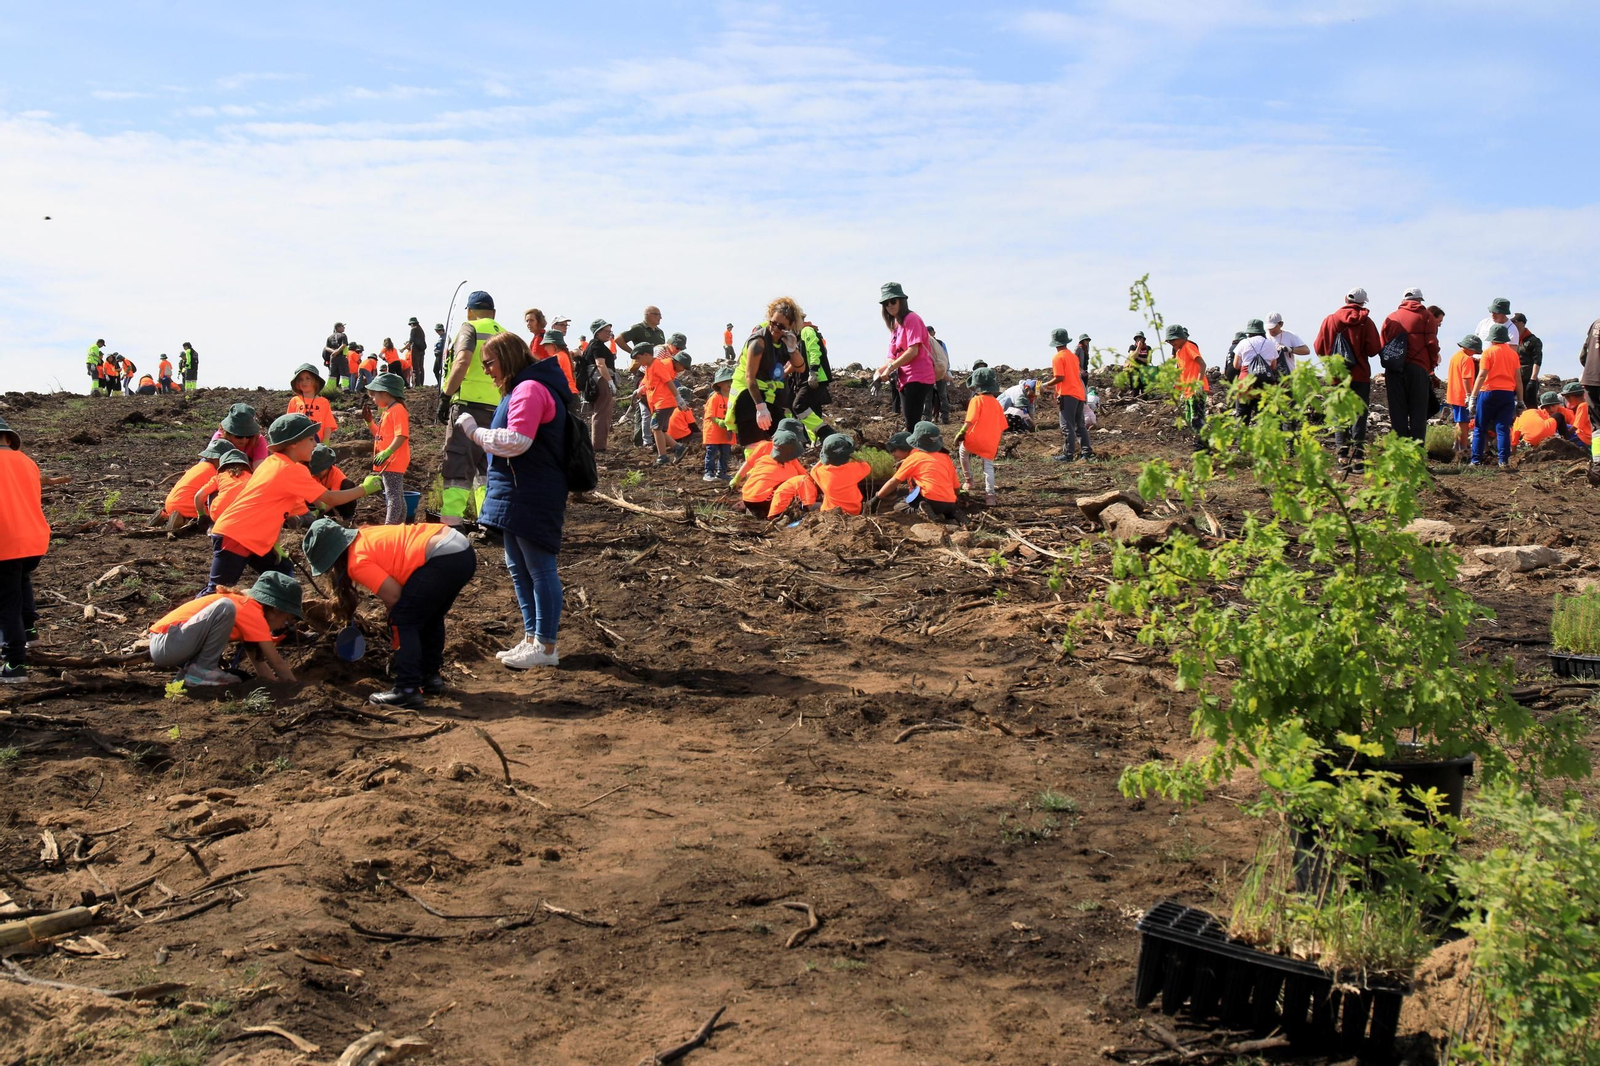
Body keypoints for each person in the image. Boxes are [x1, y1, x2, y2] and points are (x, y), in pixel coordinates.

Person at [452, 331, 572, 670]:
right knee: (519, 568)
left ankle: (546, 646)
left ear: (507, 357)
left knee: (539, 568)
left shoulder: (530, 389)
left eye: (489, 363)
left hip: (533, 491)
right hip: (516, 491)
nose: (487, 371)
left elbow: (518, 440)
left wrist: (474, 430)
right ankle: (532, 638)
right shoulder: (520, 389)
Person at [304, 518, 476, 706]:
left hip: (441, 556)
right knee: (429, 616)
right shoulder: (365, 533)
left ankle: (407, 689)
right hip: (460, 548)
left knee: (403, 620)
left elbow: (394, 596)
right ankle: (430, 677)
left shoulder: (357, 561)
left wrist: (396, 621)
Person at [206, 414, 377, 593]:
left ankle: (276, 613)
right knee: (216, 591)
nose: (315, 445)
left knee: (282, 572)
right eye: (311, 439)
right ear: (294, 443)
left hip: (253, 538)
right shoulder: (291, 470)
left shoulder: (272, 462)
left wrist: (275, 545)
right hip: (237, 537)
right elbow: (330, 499)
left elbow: (270, 508)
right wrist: (364, 489)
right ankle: (183, 621)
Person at [147, 572, 303, 687]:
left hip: (172, 644)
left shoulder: (249, 614)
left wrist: (275, 687)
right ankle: (202, 671)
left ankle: (191, 675)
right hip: (168, 643)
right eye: (287, 619)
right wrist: (297, 688)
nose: (284, 626)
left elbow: (260, 663)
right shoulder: (250, 610)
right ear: (275, 610)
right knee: (225, 607)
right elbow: (277, 663)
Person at [437, 290, 504, 526]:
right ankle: (488, 520)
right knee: (486, 467)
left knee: (458, 462)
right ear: (494, 313)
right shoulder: (504, 333)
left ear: (469, 311)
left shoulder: (470, 328)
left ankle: (451, 522)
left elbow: (462, 361)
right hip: (497, 409)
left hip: (467, 406)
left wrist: (446, 397)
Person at [0, 415, 49, 683]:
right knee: (21, 579)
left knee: (6, 601)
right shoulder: (28, 462)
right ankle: (30, 630)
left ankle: (15, 664)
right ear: (8, 437)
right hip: (34, 540)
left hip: (4, 542)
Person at [1314, 287, 1383, 469]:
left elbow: (1318, 347)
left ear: (1346, 299)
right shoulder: (1366, 322)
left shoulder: (1330, 320)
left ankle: (1342, 457)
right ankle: (1358, 458)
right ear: (1362, 303)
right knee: (1359, 415)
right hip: (1360, 375)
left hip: (1337, 376)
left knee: (1340, 416)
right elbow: (1374, 349)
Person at [733, 299, 805, 446]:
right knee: (755, 445)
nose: (775, 328)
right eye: (773, 323)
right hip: (749, 395)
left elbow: (800, 367)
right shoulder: (759, 342)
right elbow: (750, 377)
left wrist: (792, 349)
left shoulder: (785, 340)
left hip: (769, 395)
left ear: (790, 326)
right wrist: (760, 407)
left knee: (781, 441)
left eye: (781, 326)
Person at [1381, 287, 1441, 442]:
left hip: (1394, 370)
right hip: (1418, 368)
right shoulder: (1428, 317)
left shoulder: (1391, 317)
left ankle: (1401, 454)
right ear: (1420, 301)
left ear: (1403, 301)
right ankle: (1417, 457)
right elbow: (1431, 344)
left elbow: (1383, 345)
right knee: (1418, 412)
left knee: (1397, 412)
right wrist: (1431, 365)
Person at [875, 283, 936, 431]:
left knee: (912, 422)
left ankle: (917, 452)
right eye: (885, 303)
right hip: (904, 378)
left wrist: (889, 368)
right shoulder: (896, 325)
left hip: (918, 377)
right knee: (910, 420)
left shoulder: (911, 318)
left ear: (901, 301)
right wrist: (878, 372)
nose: (889, 305)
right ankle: (916, 450)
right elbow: (892, 356)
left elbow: (912, 351)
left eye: (893, 301)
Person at [870, 421, 961, 519]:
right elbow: (956, 487)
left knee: (899, 506)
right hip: (950, 502)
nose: (892, 454)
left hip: (929, 500)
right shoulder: (944, 457)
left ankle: (921, 511)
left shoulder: (913, 458)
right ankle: (951, 513)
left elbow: (893, 482)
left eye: (894, 450)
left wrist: (876, 498)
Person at [1468, 324, 1522, 468]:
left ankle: (1475, 461)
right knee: (1502, 428)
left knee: (1480, 427)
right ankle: (1503, 461)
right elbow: (1518, 379)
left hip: (1488, 392)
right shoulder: (1513, 354)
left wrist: (1472, 397)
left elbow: (1481, 375)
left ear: (1492, 339)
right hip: (1507, 394)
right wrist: (1521, 400)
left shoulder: (1488, 352)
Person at [361, 373, 411, 525]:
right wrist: (369, 422)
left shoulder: (397, 410)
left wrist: (387, 452)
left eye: (374, 394)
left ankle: (390, 526)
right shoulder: (389, 411)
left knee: (392, 495)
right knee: (397, 495)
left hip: (392, 461)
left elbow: (401, 435)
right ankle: (398, 525)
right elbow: (380, 436)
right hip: (389, 460)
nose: (373, 398)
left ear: (385, 392)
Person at [955, 367, 1005, 506]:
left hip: (974, 439)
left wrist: (961, 432)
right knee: (988, 467)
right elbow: (1002, 425)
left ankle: (969, 481)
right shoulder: (996, 403)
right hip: (990, 441)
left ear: (977, 386)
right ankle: (990, 497)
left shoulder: (976, 400)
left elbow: (969, 421)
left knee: (963, 452)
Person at [1041, 327, 1092, 461]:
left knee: (1067, 425)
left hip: (1068, 395)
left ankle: (1068, 455)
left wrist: (1045, 385)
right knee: (1079, 426)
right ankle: (1086, 453)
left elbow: (1060, 377)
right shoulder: (1072, 357)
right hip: (1079, 394)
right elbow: (1070, 377)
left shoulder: (1058, 357)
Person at [157, 440, 230, 528]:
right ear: (218, 459)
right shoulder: (215, 473)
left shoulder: (197, 467)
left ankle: (166, 516)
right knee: (218, 513)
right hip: (186, 507)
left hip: (170, 505)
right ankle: (182, 520)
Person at [738, 428, 807, 519]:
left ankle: (753, 510)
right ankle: (773, 514)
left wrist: (736, 479)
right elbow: (804, 478)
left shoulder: (763, 459)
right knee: (792, 488)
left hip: (747, 498)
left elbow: (749, 464)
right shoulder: (788, 471)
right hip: (762, 501)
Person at [640, 347, 691, 464]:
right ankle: (677, 448)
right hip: (662, 401)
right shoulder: (666, 365)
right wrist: (641, 389)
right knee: (658, 429)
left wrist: (678, 399)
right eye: (683, 367)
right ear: (678, 362)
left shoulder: (668, 366)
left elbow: (661, 382)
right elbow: (657, 382)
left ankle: (663, 456)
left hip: (663, 402)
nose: (682, 370)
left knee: (656, 428)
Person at [792, 318, 836, 441]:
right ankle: (817, 441)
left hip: (814, 378)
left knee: (799, 406)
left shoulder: (807, 331)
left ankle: (828, 434)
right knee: (812, 411)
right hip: (808, 379)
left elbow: (814, 350)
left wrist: (813, 371)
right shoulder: (798, 336)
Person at [806, 433, 872, 514]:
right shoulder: (855, 468)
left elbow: (813, 470)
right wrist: (852, 454)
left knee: (815, 505)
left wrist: (825, 458)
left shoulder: (820, 472)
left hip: (830, 512)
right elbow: (866, 466)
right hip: (854, 511)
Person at [1166, 325, 1209, 447]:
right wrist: (1178, 387)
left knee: (1197, 419)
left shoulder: (1189, 346)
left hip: (1196, 390)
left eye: (1173, 340)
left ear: (1181, 337)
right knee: (1190, 419)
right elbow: (1183, 372)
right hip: (1188, 391)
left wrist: (1198, 384)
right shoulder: (1179, 353)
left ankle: (1202, 446)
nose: (1171, 343)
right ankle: (1198, 443)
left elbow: (1202, 364)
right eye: (1169, 341)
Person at [582, 320, 620, 452]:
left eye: (610, 331)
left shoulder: (592, 345)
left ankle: (598, 444)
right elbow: (600, 364)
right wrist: (609, 381)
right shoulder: (597, 346)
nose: (609, 334)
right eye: (606, 331)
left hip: (595, 381)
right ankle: (598, 446)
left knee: (600, 411)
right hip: (600, 380)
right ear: (597, 332)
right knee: (603, 411)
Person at [1444, 336, 1483, 463]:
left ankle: (1456, 446)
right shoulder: (1466, 359)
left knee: (1459, 421)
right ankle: (1463, 449)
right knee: (1464, 423)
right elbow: (1466, 378)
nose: (1475, 353)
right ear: (1470, 348)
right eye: (1475, 350)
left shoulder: (1456, 356)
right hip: (1462, 395)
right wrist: (1469, 395)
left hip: (1453, 393)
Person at [195, 449, 252, 523]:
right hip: (244, 516)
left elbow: (198, 496)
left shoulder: (219, 476)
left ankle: (214, 524)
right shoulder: (252, 477)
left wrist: (201, 515)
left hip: (219, 515)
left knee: (214, 492)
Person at [210, 403, 269, 469]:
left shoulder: (258, 440)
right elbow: (214, 465)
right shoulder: (219, 440)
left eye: (248, 436)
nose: (244, 440)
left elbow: (259, 470)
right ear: (228, 433)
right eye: (239, 436)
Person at [702, 366, 735, 482]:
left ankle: (722, 472)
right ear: (719, 383)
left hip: (726, 432)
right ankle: (708, 472)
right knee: (712, 453)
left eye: (732, 381)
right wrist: (719, 421)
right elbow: (709, 415)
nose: (730, 384)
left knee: (725, 453)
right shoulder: (714, 398)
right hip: (714, 432)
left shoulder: (733, 398)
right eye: (727, 381)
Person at [288, 364, 337, 441]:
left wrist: (326, 441)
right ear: (297, 383)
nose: (304, 382)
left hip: (318, 443)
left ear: (315, 381)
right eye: (300, 379)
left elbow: (328, 424)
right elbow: (289, 424)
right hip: (298, 442)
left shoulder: (323, 402)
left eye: (308, 378)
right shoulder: (294, 401)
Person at [1513, 312, 1543, 410]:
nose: (1513, 325)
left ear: (1521, 323)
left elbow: (1537, 360)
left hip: (1527, 378)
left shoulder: (1533, 340)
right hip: (1514, 378)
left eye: (1515, 322)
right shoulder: (1513, 340)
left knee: (1530, 407)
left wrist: (1533, 379)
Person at [537, 328, 579, 394]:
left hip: (567, 395)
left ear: (554, 345)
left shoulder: (556, 358)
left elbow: (550, 377)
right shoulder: (564, 355)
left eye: (546, 345)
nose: (545, 348)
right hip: (571, 393)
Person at [926, 325, 952, 424]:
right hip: (928, 373)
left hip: (940, 372)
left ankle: (944, 418)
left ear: (934, 332)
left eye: (930, 331)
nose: (928, 334)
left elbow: (945, 357)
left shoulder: (940, 343)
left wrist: (946, 371)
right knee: (928, 397)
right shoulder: (923, 343)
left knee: (942, 395)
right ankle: (927, 418)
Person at [667, 387, 698, 451]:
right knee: (703, 436)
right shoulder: (685, 407)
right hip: (683, 436)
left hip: (669, 438)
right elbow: (693, 426)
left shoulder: (669, 407)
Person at [322, 323, 349, 389]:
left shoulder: (330, 337)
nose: (344, 328)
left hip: (333, 358)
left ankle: (330, 388)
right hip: (341, 357)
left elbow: (326, 348)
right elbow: (344, 345)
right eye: (343, 326)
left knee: (332, 374)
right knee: (344, 374)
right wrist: (337, 352)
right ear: (338, 327)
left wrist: (333, 352)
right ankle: (345, 389)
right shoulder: (343, 335)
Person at [405, 317, 428, 387]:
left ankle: (417, 384)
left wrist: (403, 348)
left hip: (416, 350)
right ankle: (421, 383)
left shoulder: (413, 329)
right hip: (422, 350)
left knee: (415, 368)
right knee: (421, 367)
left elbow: (411, 340)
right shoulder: (421, 330)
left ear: (412, 324)